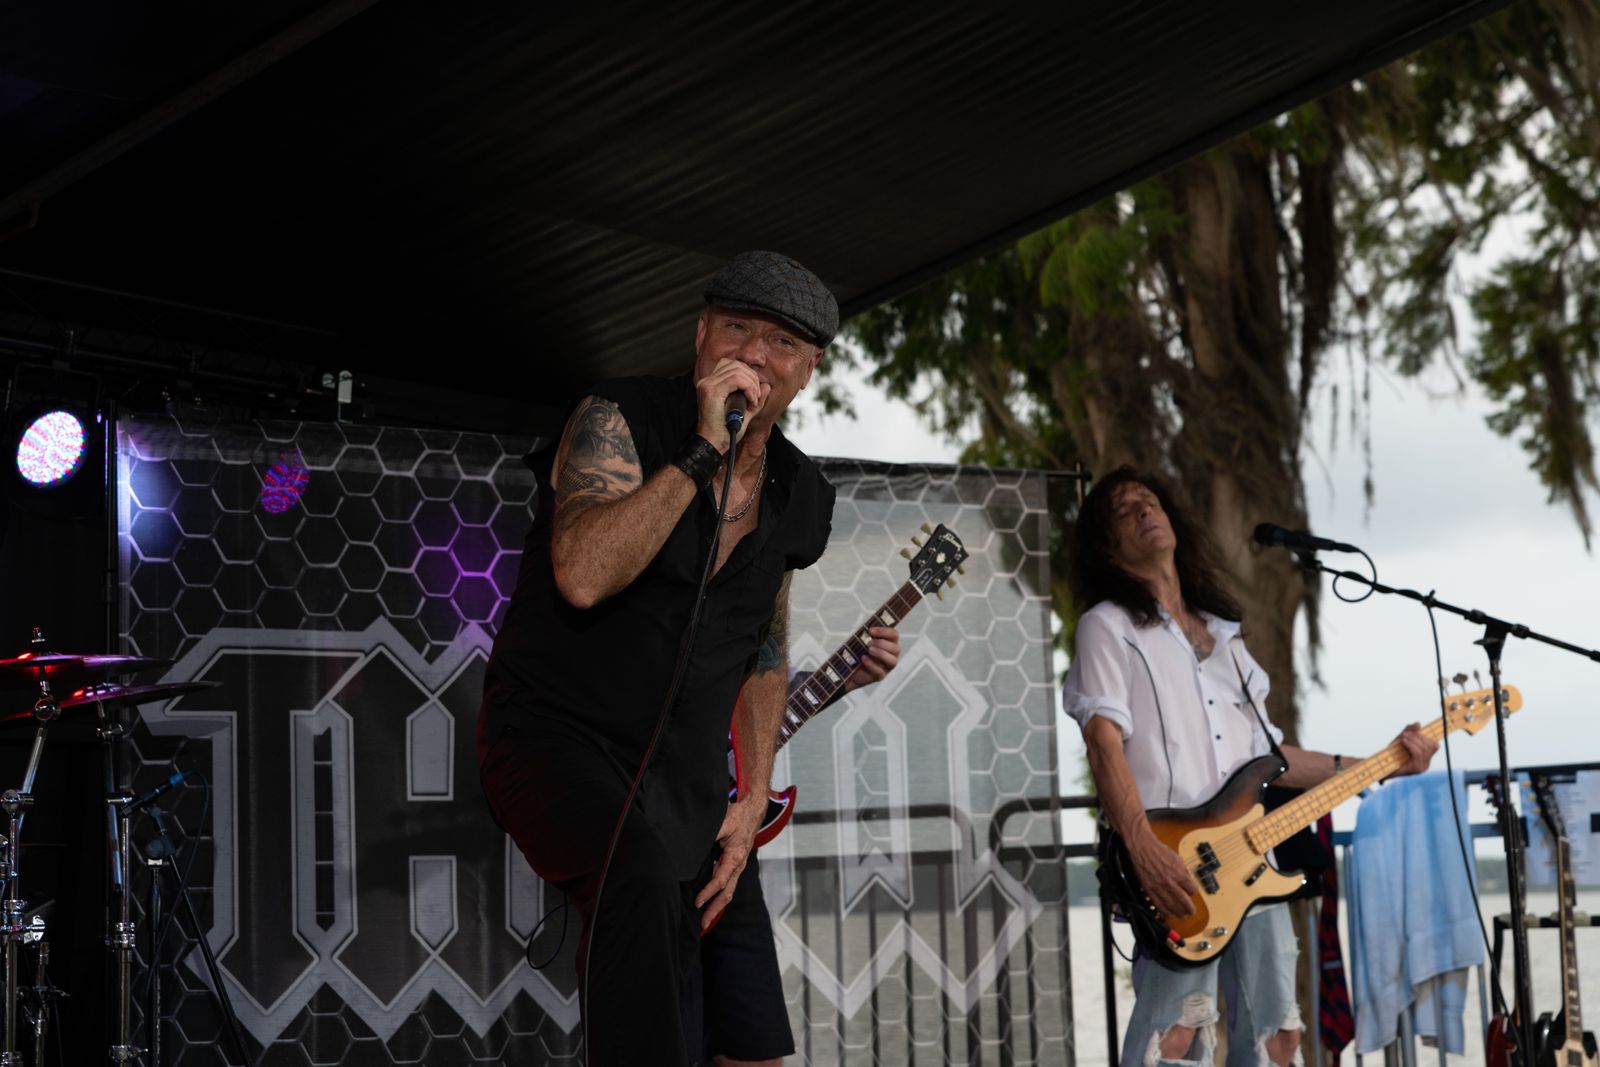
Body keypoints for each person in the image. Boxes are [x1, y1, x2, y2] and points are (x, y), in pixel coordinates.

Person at [477, 250, 898, 1066]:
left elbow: (763, 647)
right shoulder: (619, 417)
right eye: (736, 327)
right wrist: (701, 451)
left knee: (714, 1013)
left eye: (782, 342)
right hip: (550, 740)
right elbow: (583, 574)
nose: (754, 353)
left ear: (809, 369)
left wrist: (752, 797)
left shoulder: (798, 495)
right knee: (633, 875)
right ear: (701, 333)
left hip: (682, 777)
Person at [1061, 468, 1437, 1067]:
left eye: (1149, 502)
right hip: (1175, 864)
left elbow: (1271, 762)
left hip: (1252, 862)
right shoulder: (1107, 626)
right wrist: (1142, 847)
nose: (1143, 513)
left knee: (1279, 1038)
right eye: (1124, 512)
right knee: (1174, 1040)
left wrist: (1383, 764)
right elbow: (1103, 744)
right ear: (1108, 549)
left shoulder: (1225, 635)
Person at [692, 645, 900, 1067]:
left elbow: (765, 696)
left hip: (733, 860)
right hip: (651, 853)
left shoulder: (750, 612)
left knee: (755, 1050)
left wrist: (847, 677)